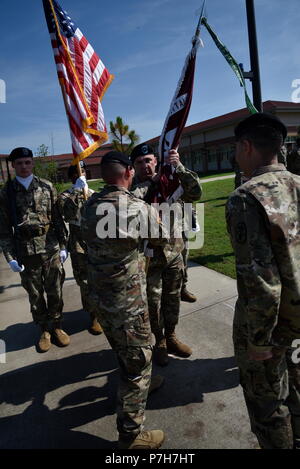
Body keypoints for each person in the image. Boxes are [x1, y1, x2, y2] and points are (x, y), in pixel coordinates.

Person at [80, 151, 168, 449]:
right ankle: (131, 435)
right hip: (127, 301)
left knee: (123, 348)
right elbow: (159, 238)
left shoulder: (90, 204)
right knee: (139, 359)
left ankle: (142, 385)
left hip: (100, 298)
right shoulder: (136, 207)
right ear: (129, 172)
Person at [226, 113, 300, 449]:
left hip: (275, 325)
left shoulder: (246, 196)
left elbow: (260, 280)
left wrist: (258, 340)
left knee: (268, 406)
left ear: (246, 146)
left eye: (236, 149)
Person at [131, 143, 202, 366]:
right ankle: (159, 340)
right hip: (148, 259)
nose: (146, 165)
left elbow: (195, 193)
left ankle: (171, 335)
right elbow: (128, 207)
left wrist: (178, 166)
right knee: (152, 303)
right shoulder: (131, 189)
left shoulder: (171, 182)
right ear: (133, 167)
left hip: (173, 253)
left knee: (172, 299)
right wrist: (149, 185)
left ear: (156, 161)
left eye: (149, 160)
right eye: (140, 162)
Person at [0, 147, 69, 352]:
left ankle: (57, 326)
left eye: (27, 162)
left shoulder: (47, 186)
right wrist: (10, 256)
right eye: (19, 163)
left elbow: (57, 218)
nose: (24, 166)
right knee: (35, 294)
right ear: (13, 165)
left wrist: (64, 245)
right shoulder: (6, 193)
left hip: (50, 247)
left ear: (32, 163)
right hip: (25, 250)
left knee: (55, 289)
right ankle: (44, 330)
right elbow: (3, 229)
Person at [58, 161, 102, 335]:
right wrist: (77, 191)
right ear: (72, 177)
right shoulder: (64, 196)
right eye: (77, 173)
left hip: (97, 244)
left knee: (100, 280)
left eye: (83, 171)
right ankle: (93, 316)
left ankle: (102, 311)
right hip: (79, 245)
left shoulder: (94, 194)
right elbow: (69, 214)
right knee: (85, 283)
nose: (81, 175)